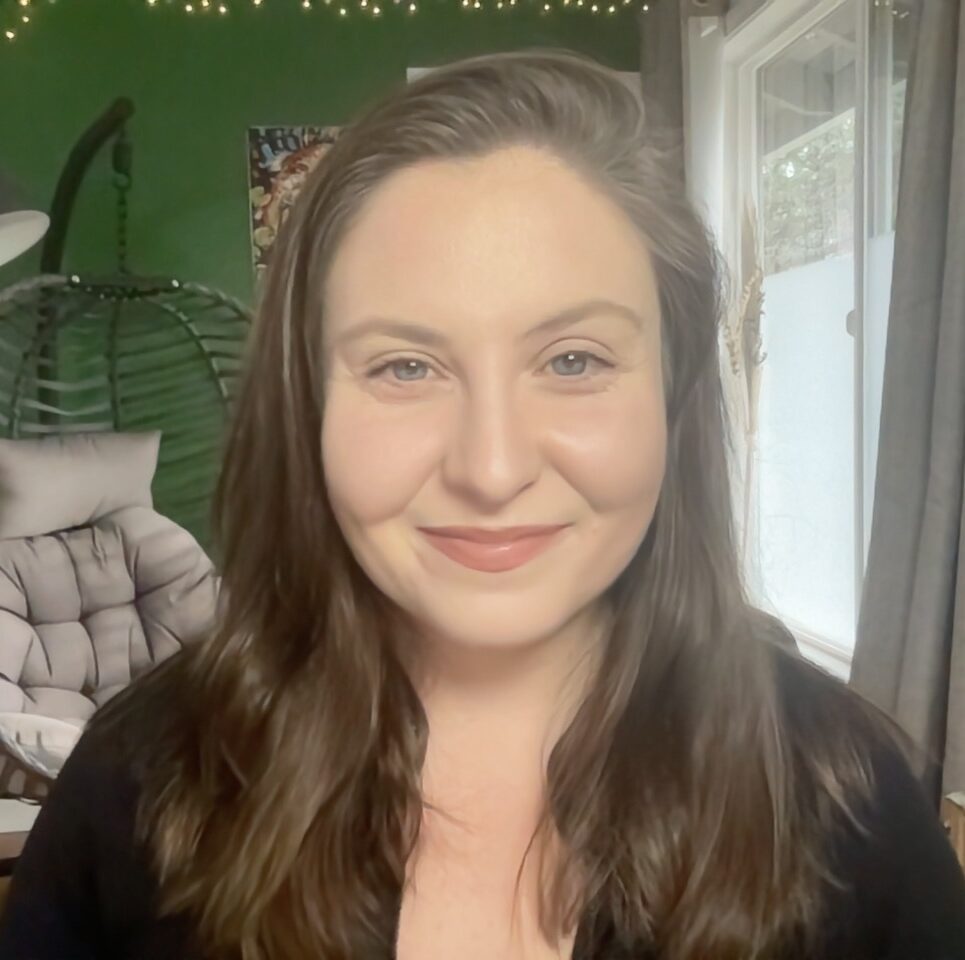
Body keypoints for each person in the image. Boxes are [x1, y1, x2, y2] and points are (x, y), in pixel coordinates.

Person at [0, 48, 963, 960]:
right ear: (309, 408)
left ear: (671, 397)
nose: (491, 469)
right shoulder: (136, 791)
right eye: (406, 366)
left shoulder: (852, 809)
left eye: (573, 360)